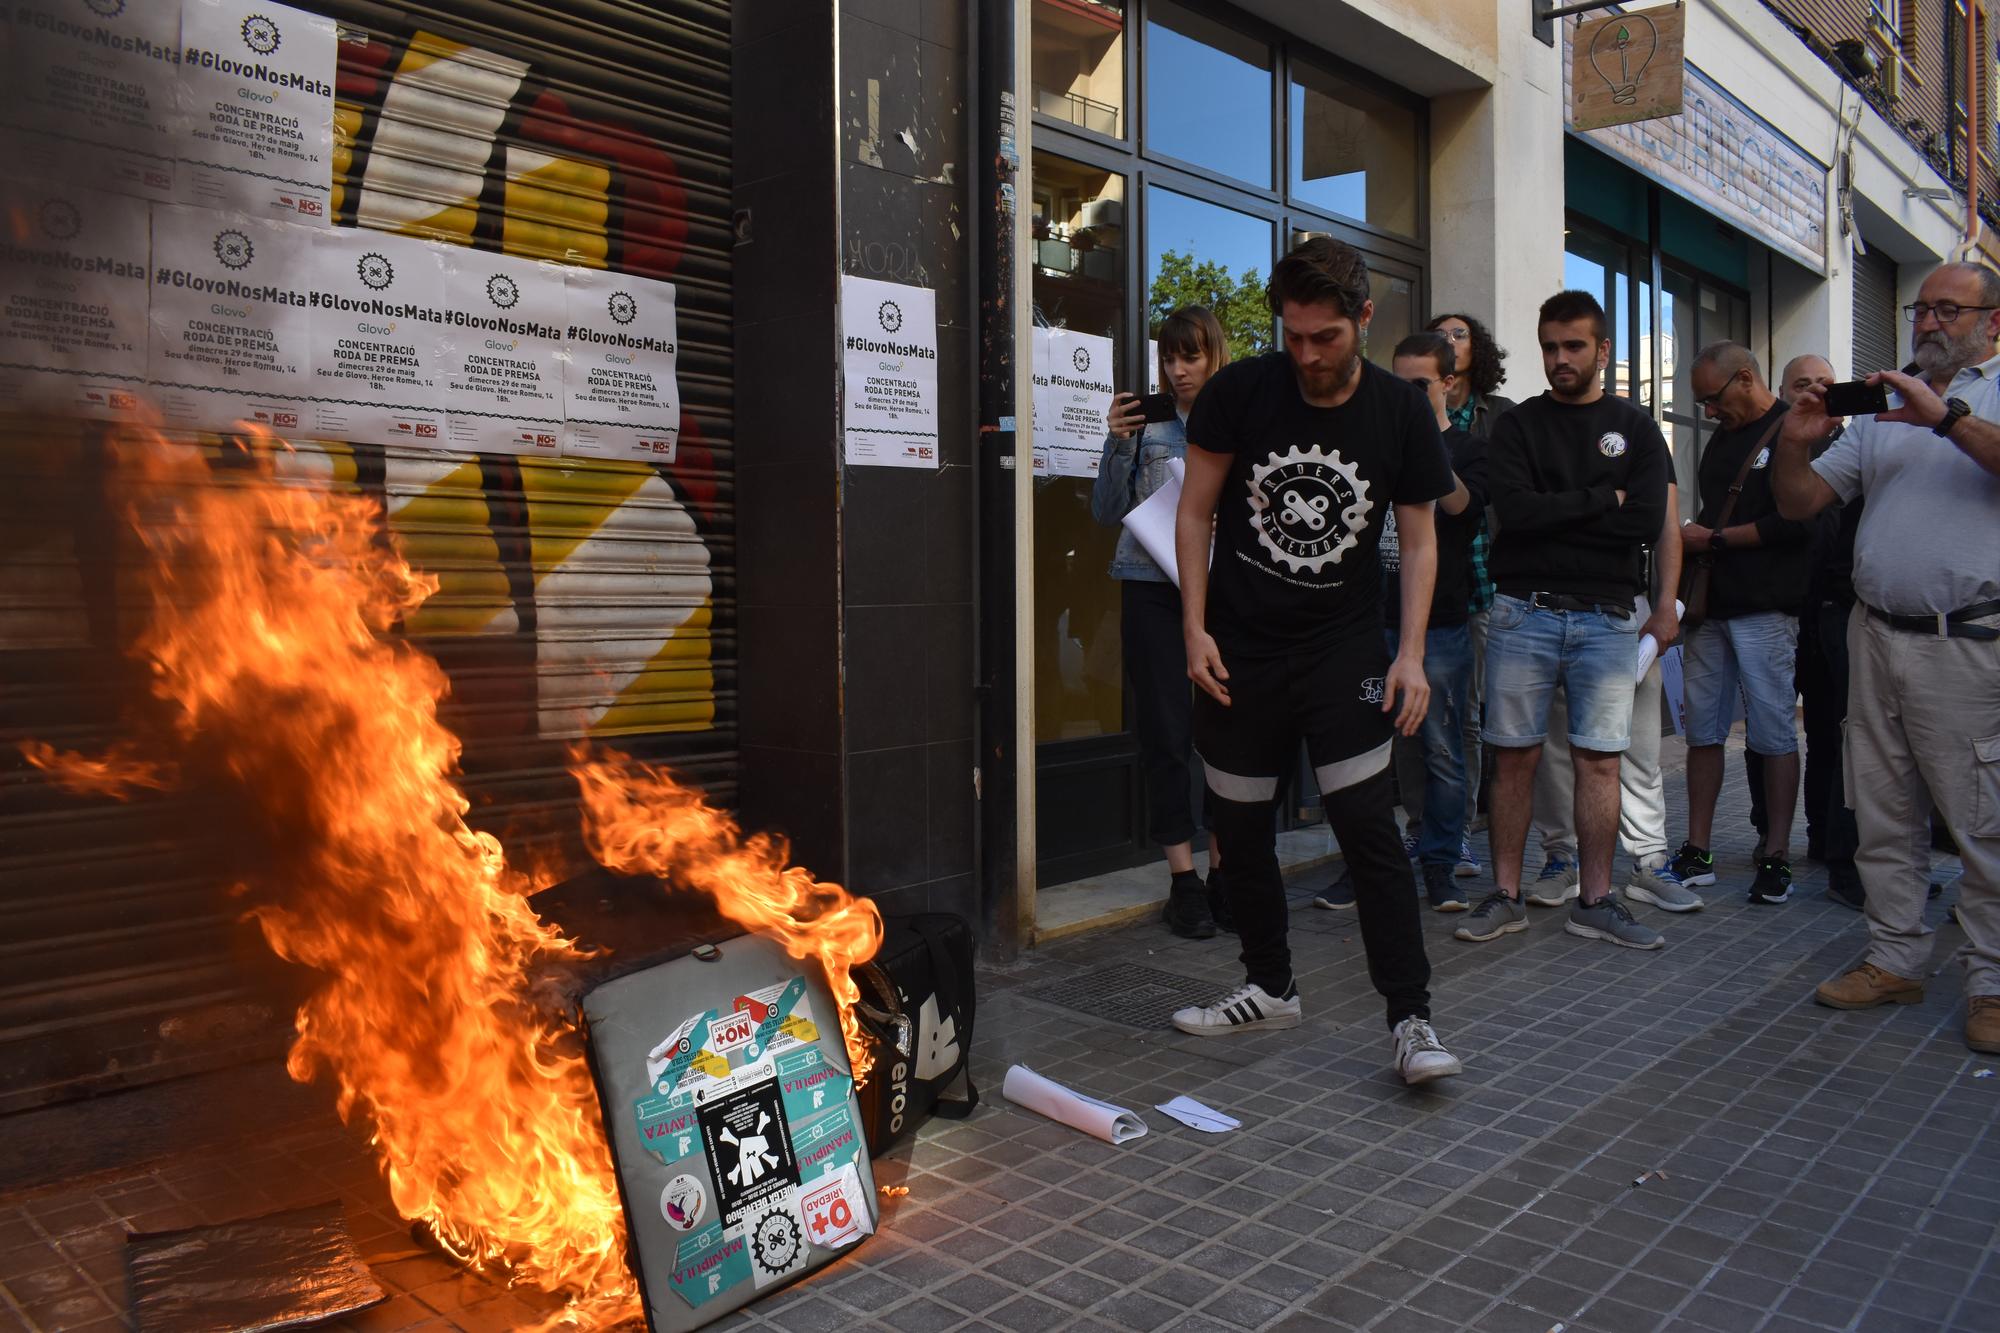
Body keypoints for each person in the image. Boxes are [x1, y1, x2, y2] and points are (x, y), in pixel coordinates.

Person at [1167, 235, 1463, 1086]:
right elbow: (1194, 515)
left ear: (1363, 320)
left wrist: (1410, 654)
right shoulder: (1240, 393)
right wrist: (1194, 627)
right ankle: (1269, 984)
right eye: (1293, 336)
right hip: (1240, 644)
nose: (1306, 355)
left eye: (1325, 337)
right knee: (1240, 824)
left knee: (1369, 828)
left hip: (1340, 646)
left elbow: (1419, 537)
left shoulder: (1399, 412)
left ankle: (1411, 1018)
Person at [1772, 263, 2000, 1055]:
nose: (1929, 322)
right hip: (1875, 634)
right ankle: (1896, 956)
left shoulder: (1981, 397)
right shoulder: (1880, 410)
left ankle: (1992, 984)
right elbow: (1802, 502)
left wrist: (1945, 419)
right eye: (1921, 308)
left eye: (1948, 309)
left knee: (1980, 822)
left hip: (1966, 641)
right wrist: (1795, 450)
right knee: (1884, 810)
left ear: (1991, 323)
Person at [1456, 289, 1670, 950]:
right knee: (1512, 758)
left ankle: (1596, 900)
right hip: (1524, 613)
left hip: (1608, 618)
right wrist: (1603, 498)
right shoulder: (1517, 425)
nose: (1560, 358)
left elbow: (1645, 521)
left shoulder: (1635, 428)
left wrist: (1566, 511)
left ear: (1603, 350)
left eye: (1573, 345)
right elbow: (1513, 514)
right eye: (1550, 346)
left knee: (1599, 763)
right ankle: (1506, 895)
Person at [1093, 307, 1230, 939]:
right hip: (1152, 591)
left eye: (1191, 357)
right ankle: (1184, 879)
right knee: (1167, 734)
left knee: (1226, 734)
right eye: (1169, 358)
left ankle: (1226, 871)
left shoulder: (1240, 419)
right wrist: (1118, 444)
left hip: (1225, 597)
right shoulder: (1144, 422)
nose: (1177, 371)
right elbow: (1105, 512)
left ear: (1214, 356)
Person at [1668, 344, 1813, 905]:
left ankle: (1776, 855)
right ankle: (1697, 849)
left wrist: (1718, 539)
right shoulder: (1723, 439)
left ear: (1745, 379)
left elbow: (1799, 523)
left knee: (1774, 732)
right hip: (1713, 610)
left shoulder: (1795, 430)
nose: (1706, 411)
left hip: (1768, 609)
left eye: (1712, 398)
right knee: (1702, 732)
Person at [1520, 482, 1699, 914]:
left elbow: (1666, 524)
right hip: (1554, 603)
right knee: (1558, 743)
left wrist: (1664, 606)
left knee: (1638, 744)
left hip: (1626, 601)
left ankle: (1650, 860)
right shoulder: (1543, 424)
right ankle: (1561, 858)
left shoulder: (1639, 434)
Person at [1377, 331, 1488, 913]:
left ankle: (1443, 863)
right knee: (1378, 748)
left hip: (1442, 624)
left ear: (1448, 384)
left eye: (1419, 385)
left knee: (1443, 747)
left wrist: (1423, 447)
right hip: (1374, 620)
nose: (1407, 395)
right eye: (1398, 384)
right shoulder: (1375, 440)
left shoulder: (1467, 448)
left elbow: (1465, 513)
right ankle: (1368, 863)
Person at [1426, 312, 1517, 877]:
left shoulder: (1499, 417)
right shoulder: (1412, 412)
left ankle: (1458, 827)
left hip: (1486, 584)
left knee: (1469, 715)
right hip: (1426, 585)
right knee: (1422, 718)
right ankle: (1425, 828)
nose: (1449, 341)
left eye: (1459, 333)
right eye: (1439, 333)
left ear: (1477, 349)